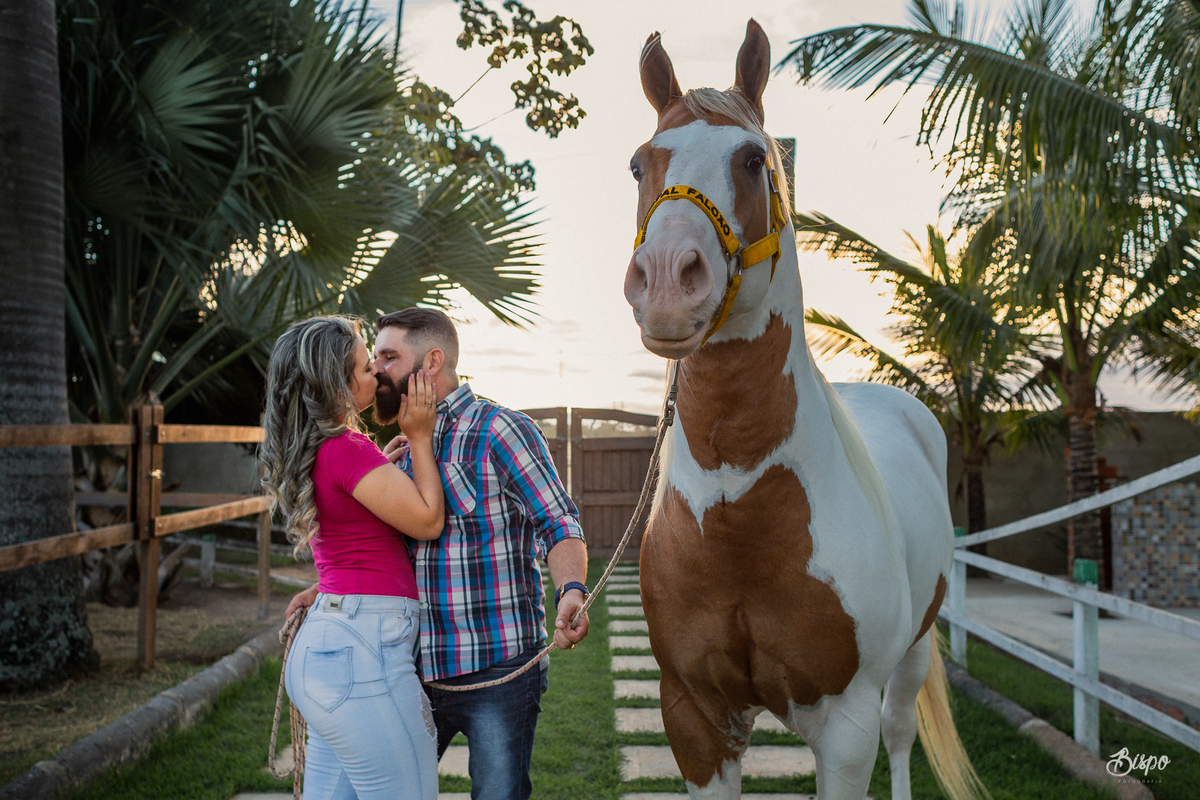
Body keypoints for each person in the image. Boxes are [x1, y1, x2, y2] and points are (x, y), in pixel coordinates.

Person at [287, 307, 590, 800]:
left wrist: (571, 590)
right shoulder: (403, 447)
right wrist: (326, 592)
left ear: (430, 363)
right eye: (375, 358)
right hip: (409, 668)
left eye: (388, 357)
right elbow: (389, 542)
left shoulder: (500, 430)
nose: (377, 370)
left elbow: (556, 520)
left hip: (497, 672)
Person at [260, 315, 445, 800]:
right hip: (365, 656)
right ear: (337, 386)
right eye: (366, 367)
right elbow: (428, 521)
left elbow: (351, 528)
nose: (377, 375)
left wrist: (380, 465)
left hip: (331, 648)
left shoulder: (325, 448)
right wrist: (421, 439)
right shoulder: (346, 449)